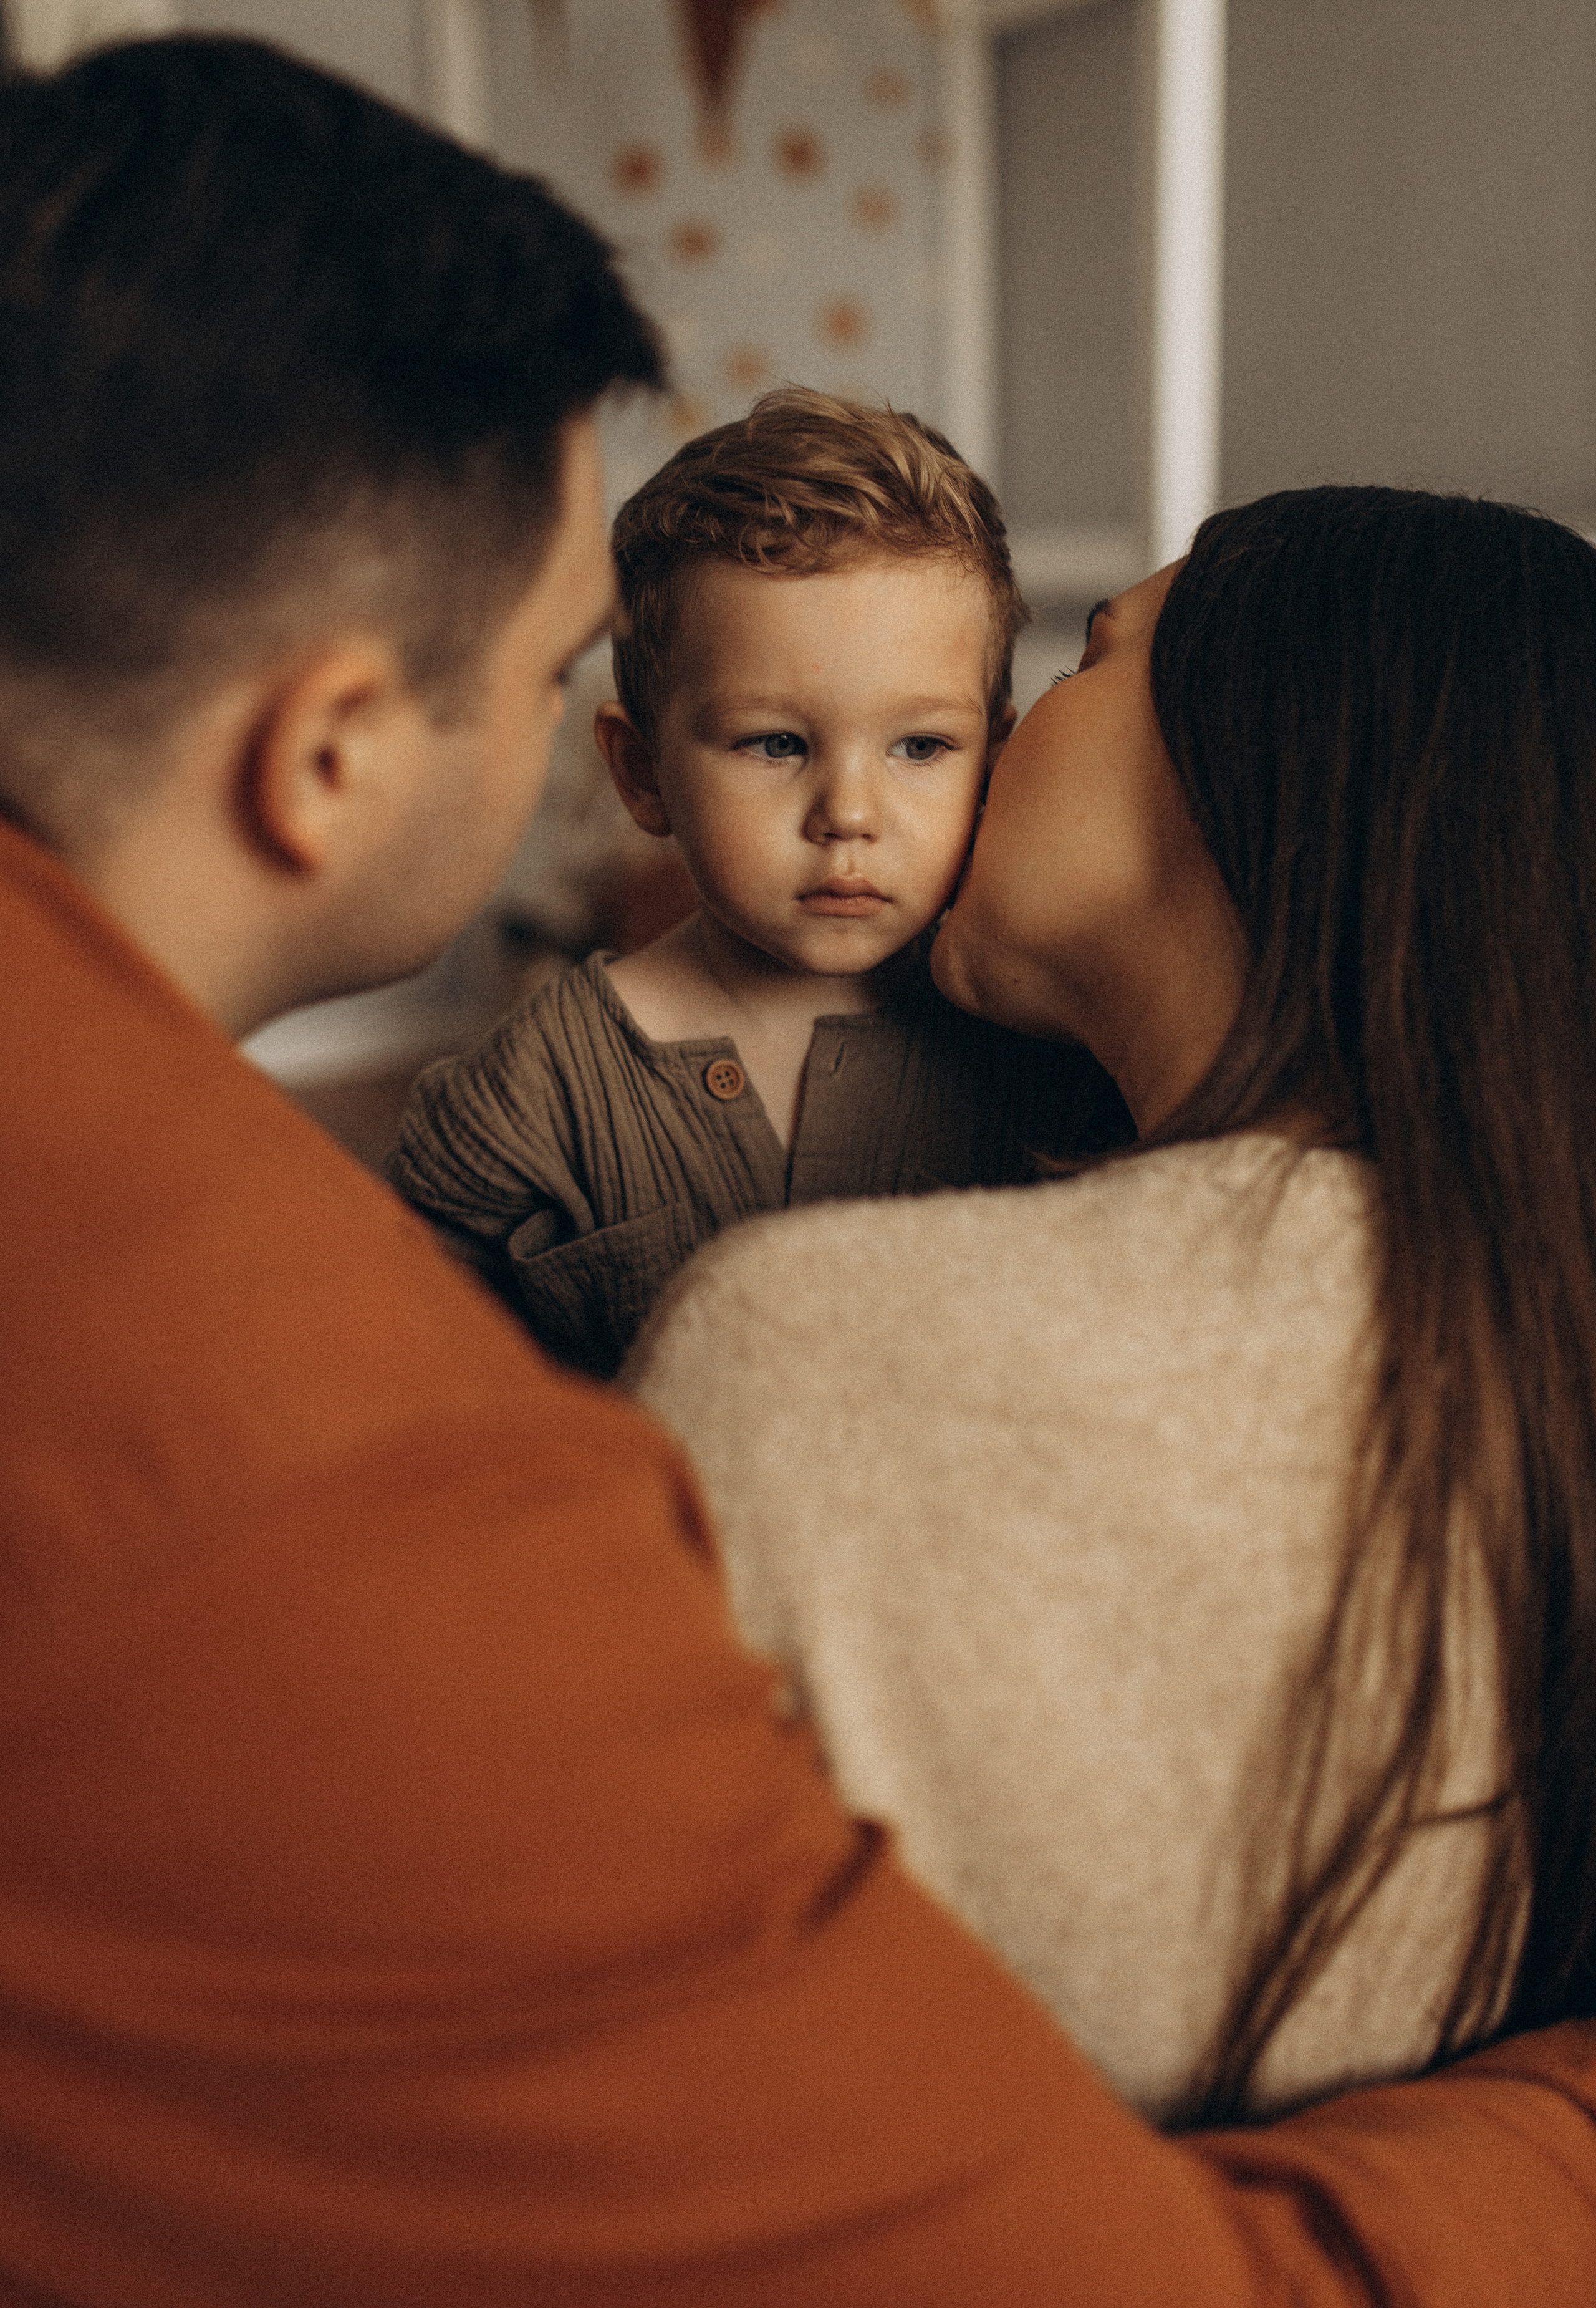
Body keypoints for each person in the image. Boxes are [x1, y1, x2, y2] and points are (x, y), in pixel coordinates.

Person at [4, 36, 1596, 2307]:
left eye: (1031, 685)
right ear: (335, 752)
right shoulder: (332, 1426)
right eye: (574, 676)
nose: (872, 801)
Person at [627, 487, 1596, 2132]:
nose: (999, 734)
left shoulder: (816, 1352)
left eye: (1088, 655)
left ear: (1261, 767)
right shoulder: (1530, 1348)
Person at [388, 389, 1125, 1376]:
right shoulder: (528, 1099)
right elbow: (392, 1393)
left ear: (993, 756)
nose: (848, 812)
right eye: (776, 742)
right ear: (644, 772)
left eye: (920, 745)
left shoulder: (1051, 1054)